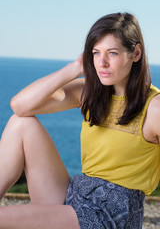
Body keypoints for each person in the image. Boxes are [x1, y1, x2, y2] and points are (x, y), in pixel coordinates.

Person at [0, 12, 160, 229]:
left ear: (136, 53)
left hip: (113, 216)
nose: (101, 62)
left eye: (112, 53)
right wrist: (75, 68)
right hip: (77, 196)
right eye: (95, 53)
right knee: (21, 123)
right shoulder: (90, 94)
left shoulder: (154, 107)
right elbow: (20, 106)